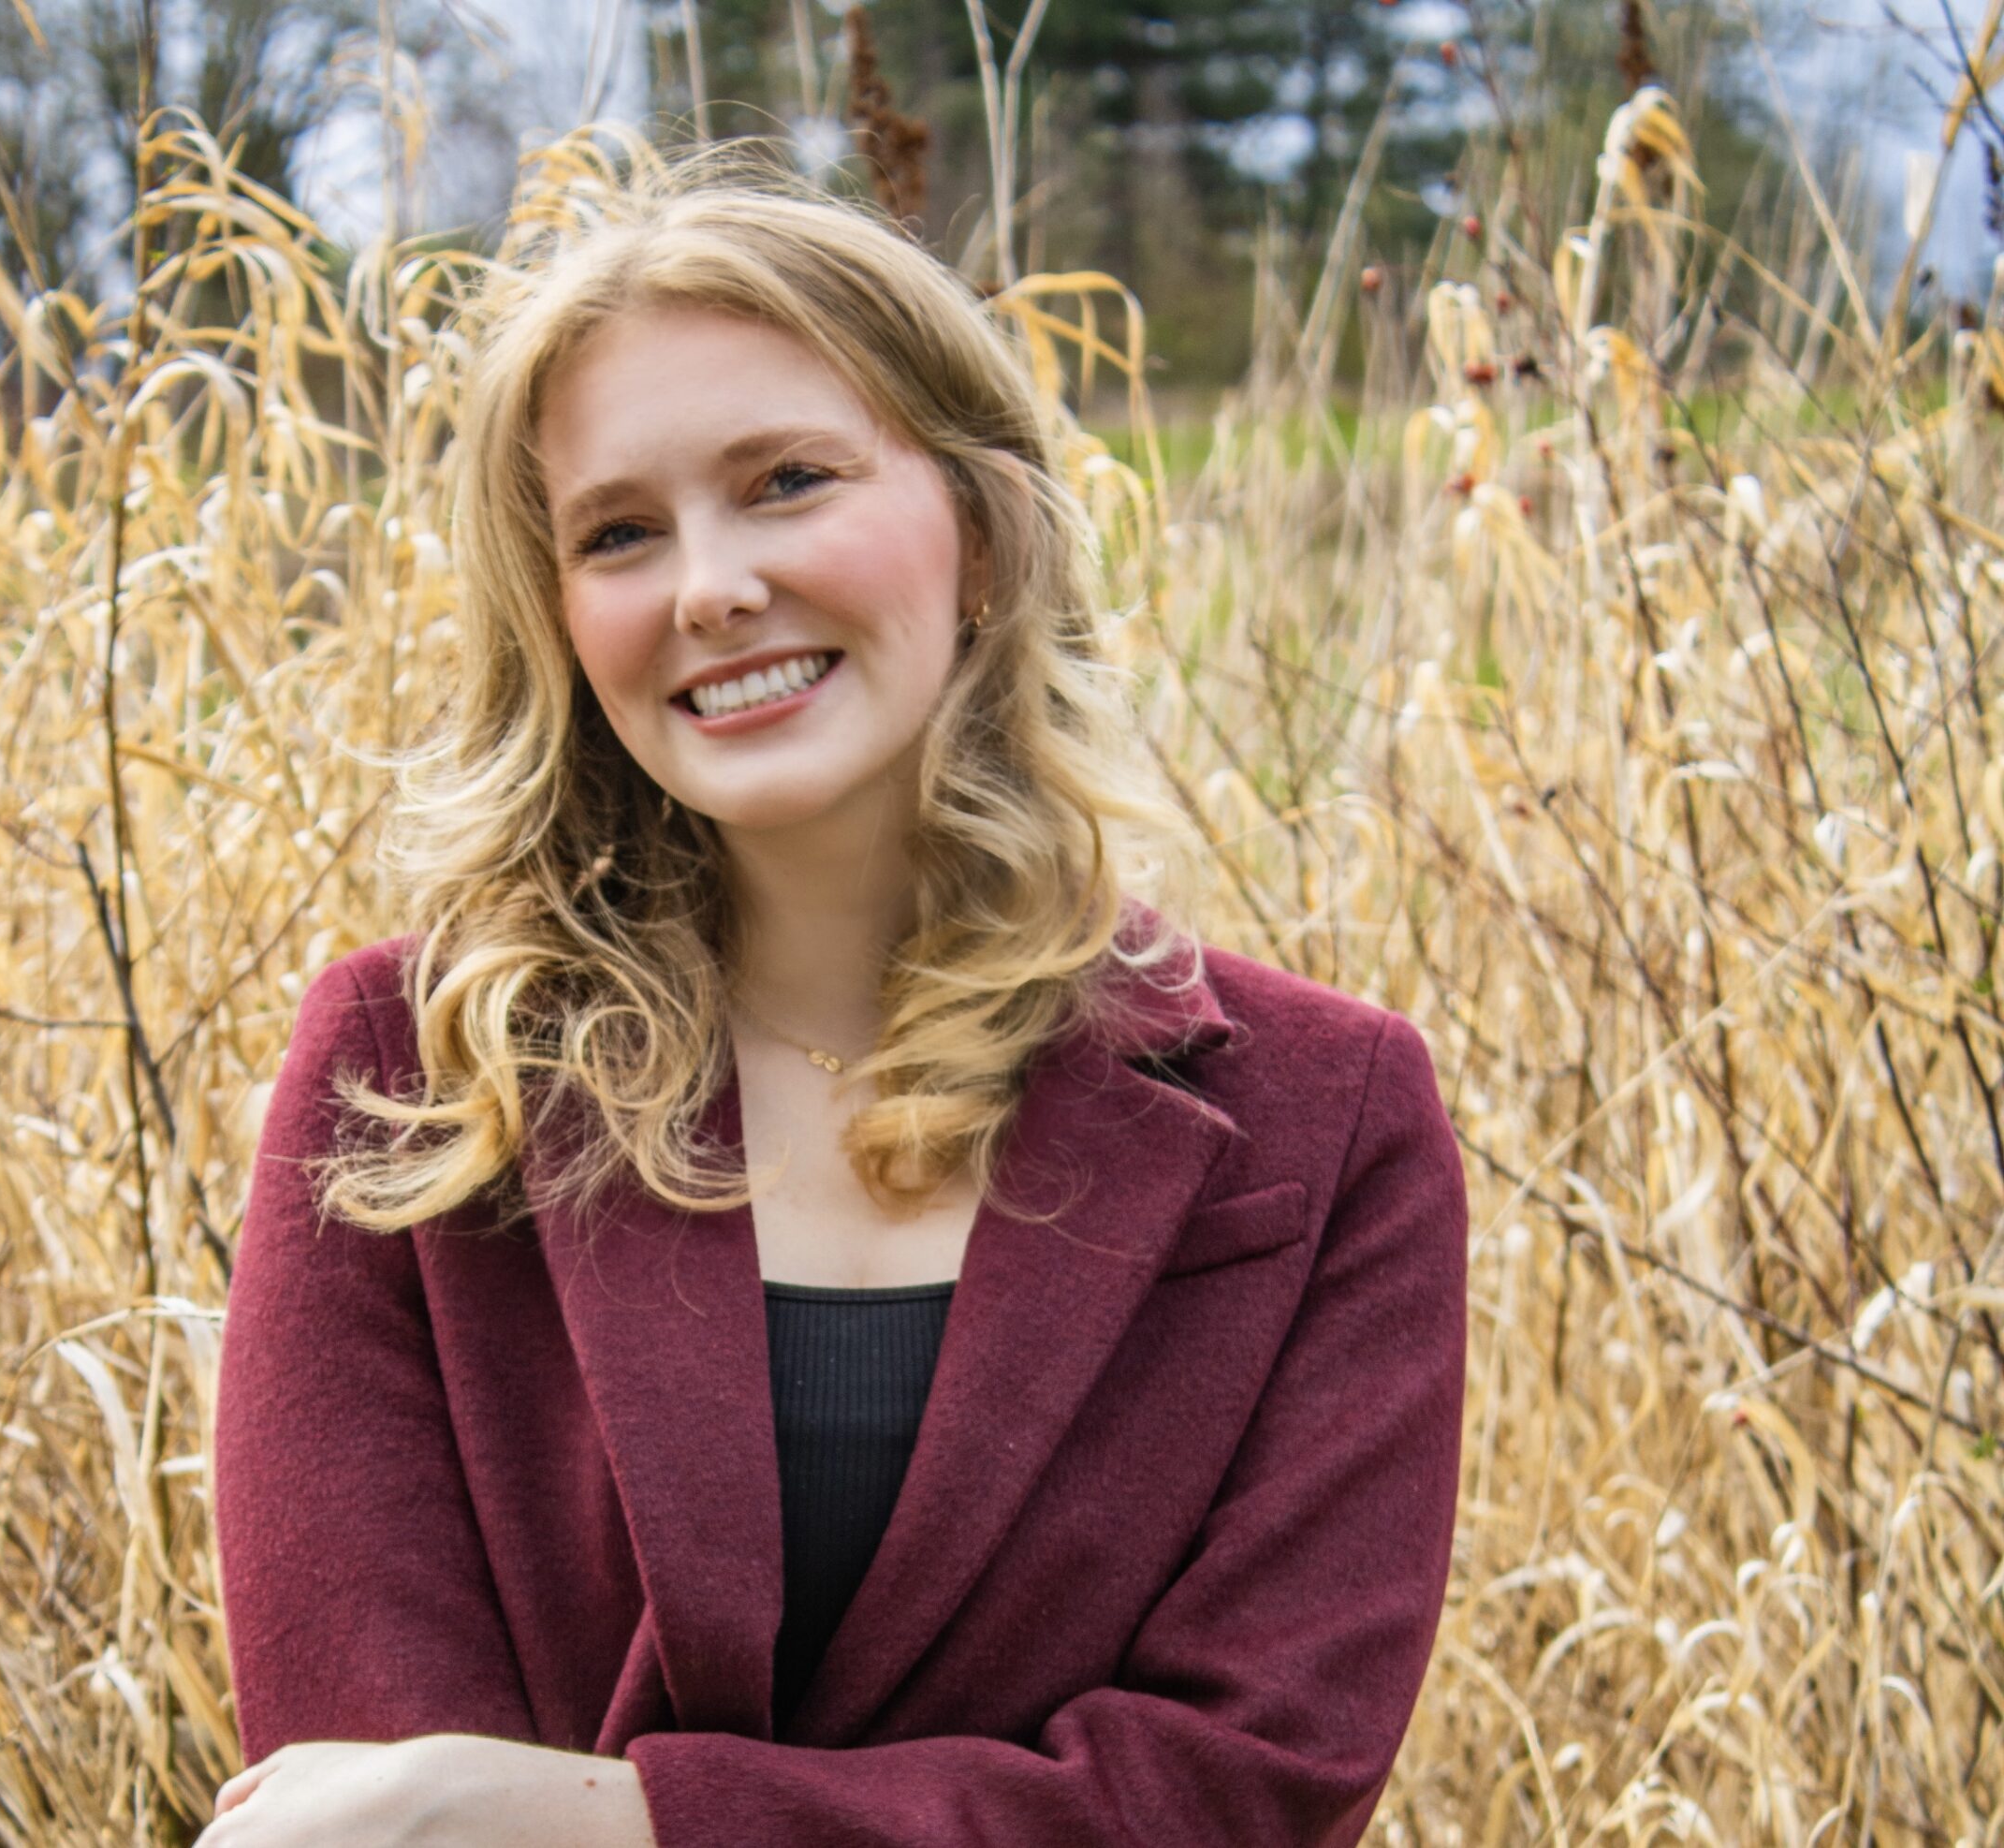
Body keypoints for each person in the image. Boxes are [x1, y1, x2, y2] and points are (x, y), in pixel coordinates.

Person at [200, 133, 1468, 1848]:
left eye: (790, 480)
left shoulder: (1320, 1122)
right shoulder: (414, 1081)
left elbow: (1244, 1792)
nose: (712, 587)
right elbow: (369, 1813)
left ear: (985, 530)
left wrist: (625, 1823)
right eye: (620, 532)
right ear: (556, 615)